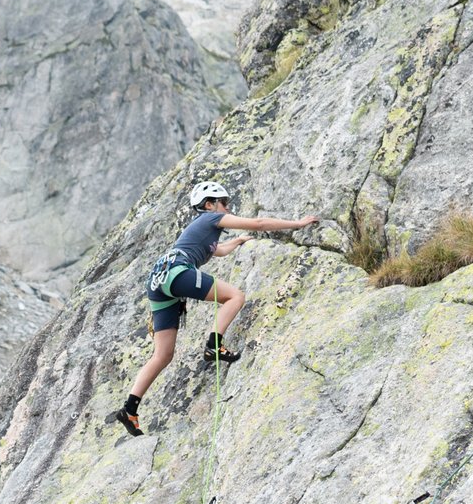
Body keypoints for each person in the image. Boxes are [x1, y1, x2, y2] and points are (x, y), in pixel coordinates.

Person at [109, 181, 318, 436]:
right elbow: (259, 223)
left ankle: (129, 409)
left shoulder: (202, 233)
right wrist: (297, 224)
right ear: (209, 205)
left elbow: (218, 251)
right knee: (235, 297)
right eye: (224, 203)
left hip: (158, 280)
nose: (227, 208)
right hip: (176, 270)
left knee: (162, 355)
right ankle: (214, 346)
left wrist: (237, 241)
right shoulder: (211, 218)